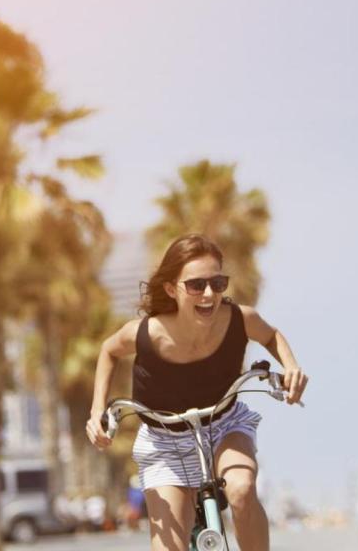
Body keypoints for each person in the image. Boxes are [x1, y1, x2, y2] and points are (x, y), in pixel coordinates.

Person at [85, 234, 308, 551]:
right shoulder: (147, 333)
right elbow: (108, 351)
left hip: (225, 425)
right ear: (170, 288)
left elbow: (271, 336)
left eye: (218, 284)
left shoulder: (239, 320)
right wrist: (98, 412)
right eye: (196, 285)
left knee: (242, 489)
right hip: (164, 440)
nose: (208, 294)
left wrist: (291, 367)